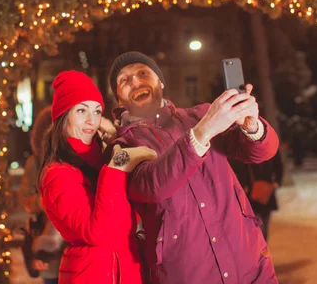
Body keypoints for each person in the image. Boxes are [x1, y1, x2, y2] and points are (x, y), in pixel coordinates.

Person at [110, 51, 280, 284]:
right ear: (119, 99)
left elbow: (262, 152)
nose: (135, 81)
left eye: (142, 73)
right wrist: (202, 133)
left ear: (161, 82)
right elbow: (152, 186)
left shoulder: (200, 115)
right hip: (188, 275)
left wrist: (252, 127)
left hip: (249, 265)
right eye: (124, 80)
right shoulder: (122, 147)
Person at [38, 70, 156, 284]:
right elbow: (96, 233)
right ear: (63, 116)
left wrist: (114, 143)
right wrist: (118, 165)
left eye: (96, 111)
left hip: (127, 270)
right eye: (81, 110)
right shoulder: (57, 174)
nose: (91, 120)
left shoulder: (100, 161)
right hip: (94, 275)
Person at [19, 106, 63, 284]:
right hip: (47, 240)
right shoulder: (35, 163)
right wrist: (42, 201)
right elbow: (25, 198)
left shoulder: (76, 159)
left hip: (74, 243)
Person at [230, 150, 284, 240]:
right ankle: (259, 249)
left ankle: (262, 250)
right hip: (251, 193)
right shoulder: (244, 148)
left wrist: (277, 182)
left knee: (264, 224)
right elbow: (239, 168)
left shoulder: (271, 147)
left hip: (267, 192)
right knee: (257, 225)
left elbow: (279, 166)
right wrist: (243, 185)